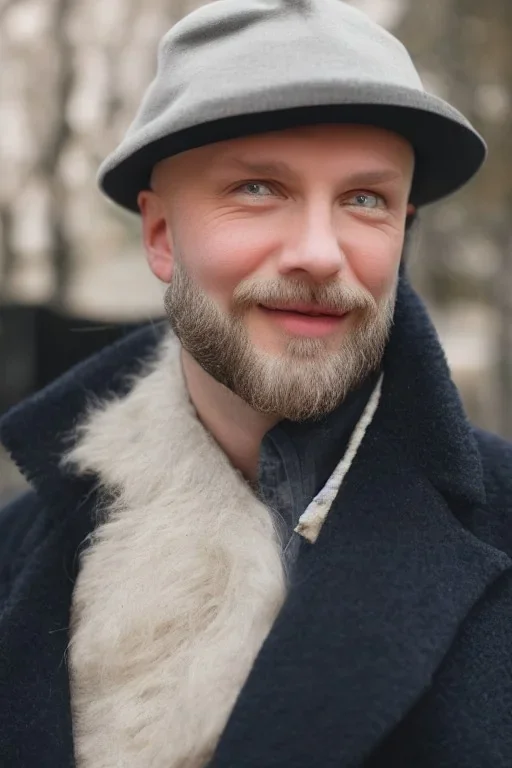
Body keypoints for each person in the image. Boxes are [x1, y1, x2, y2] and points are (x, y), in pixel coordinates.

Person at [0, 1, 511, 766]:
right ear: (162, 236)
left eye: (365, 200)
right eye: (258, 189)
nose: (318, 253)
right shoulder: (17, 550)